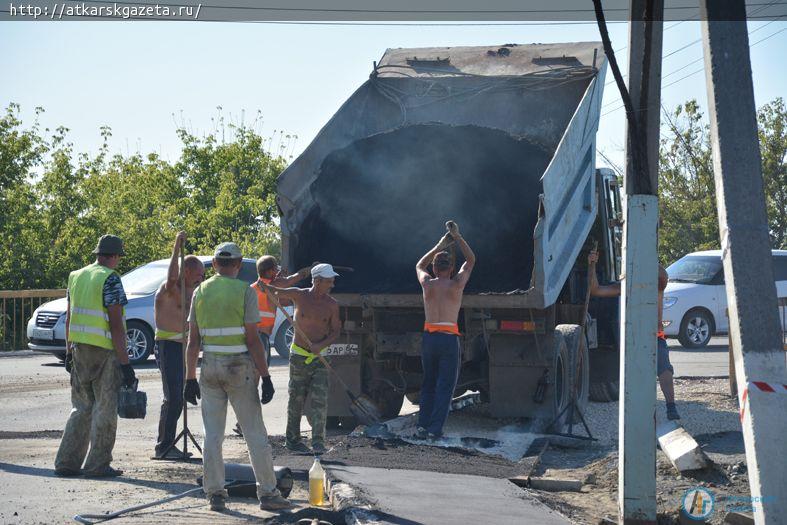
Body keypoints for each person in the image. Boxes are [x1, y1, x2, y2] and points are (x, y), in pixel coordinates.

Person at [184, 242, 290, 512]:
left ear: (215, 264)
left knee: (213, 435)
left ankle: (215, 495)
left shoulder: (200, 291)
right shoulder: (245, 291)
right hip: (239, 368)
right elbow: (253, 340)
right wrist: (265, 376)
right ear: (239, 264)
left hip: (210, 368)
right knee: (255, 433)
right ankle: (268, 494)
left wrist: (189, 378)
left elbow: (192, 341)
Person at [54, 234, 136, 478]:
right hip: (104, 351)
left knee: (81, 408)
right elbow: (116, 325)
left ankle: (66, 462)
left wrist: (69, 350)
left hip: (79, 349)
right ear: (114, 256)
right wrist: (126, 363)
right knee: (105, 409)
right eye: (119, 256)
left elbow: (70, 317)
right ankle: (97, 464)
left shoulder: (76, 276)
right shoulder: (110, 279)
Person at [259, 263, 341, 455]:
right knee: (296, 399)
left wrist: (321, 345)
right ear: (317, 281)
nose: (332, 284)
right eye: (328, 281)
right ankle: (292, 440)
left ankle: (319, 442)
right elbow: (276, 292)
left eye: (332, 280)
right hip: (298, 356)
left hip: (320, 358)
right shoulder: (299, 295)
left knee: (320, 401)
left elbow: (336, 331)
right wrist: (266, 286)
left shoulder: (332, 304)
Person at [588, 249, 680, 420]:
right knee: (636, 376)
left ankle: (671, 408)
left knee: (664, 369)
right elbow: (596, 290)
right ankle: (640, 413)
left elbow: (661, 273)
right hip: (634, 338)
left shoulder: (658, 281)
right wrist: (592, 264)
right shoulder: (626, 286)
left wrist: (643, 258)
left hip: (654, 335)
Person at [233, 257, 311, 437]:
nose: (277, 271)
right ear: (268, 271)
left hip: (253, 336)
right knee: (255, 380)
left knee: (252, 380)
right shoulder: (270, 285)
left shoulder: (254, 288)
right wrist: (304, 273)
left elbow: (281, 299)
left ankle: (243, 422)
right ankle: (245, 423)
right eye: (274, 268)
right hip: (259, 338)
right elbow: (289, 282)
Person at [414, 221, 475, 439]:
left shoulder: (427, 284)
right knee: (445, 386)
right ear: (451, 268)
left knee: (428, 383)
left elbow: (419, 266)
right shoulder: (457, 284)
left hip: (429, 338)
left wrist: (438, 245)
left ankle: (422, 426)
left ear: (434, 268)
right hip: (448, 339)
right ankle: (434, 429)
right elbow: (470, 260)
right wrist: (457, 238)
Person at [152, 231, 205, 459]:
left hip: (184, 347)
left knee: (181, 395)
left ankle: (170, 442)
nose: (201, 278)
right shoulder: (170, 289)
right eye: (198, 274)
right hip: (168, 346)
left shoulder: (193, 292)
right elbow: (173, 276)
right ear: (187, 271)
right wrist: (176, 247)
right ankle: (163, 445)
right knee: (172, 397)